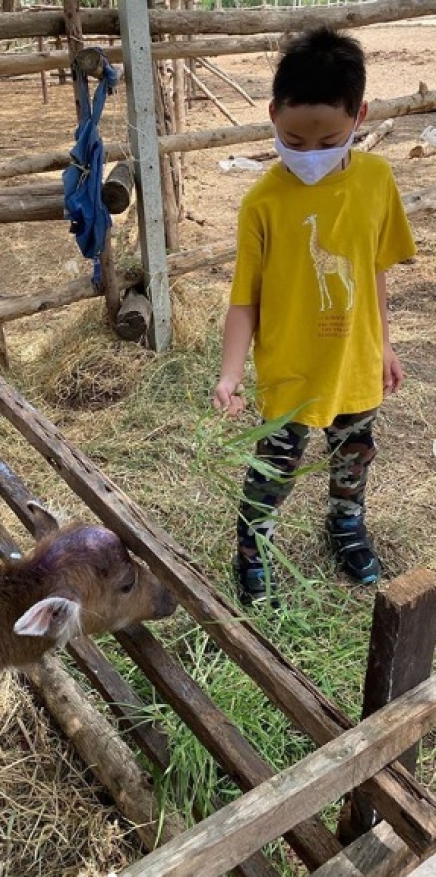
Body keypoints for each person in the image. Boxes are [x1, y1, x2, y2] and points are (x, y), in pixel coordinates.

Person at [213, 26, 416, 609]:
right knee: (272, 469)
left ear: (360, 116)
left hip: (354, 364)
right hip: (290, 373)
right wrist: (230, 374)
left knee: (354, 451)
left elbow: (371, 269)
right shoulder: (263, 202)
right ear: (273, 114)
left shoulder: (376, 181)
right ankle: (253, 551)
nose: (307, 154)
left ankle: (346, 525)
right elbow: (244, 299)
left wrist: (384, 345)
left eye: (326, 139)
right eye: (293, 139)